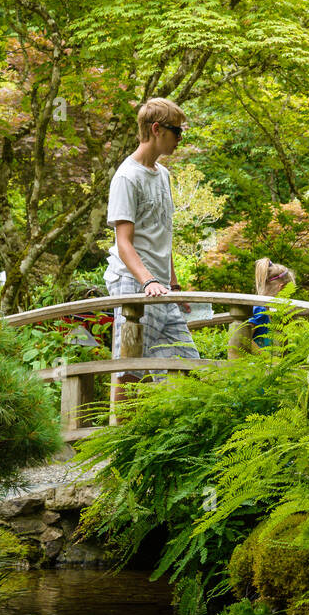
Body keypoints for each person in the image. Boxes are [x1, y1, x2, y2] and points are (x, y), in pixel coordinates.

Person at [105, 97, 198, 401]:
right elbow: (123, 243)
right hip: (133, 281)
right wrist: (148, 281)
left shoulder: (164, 175)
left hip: (159, 287)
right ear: (157, 129)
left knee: (187, 364)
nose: (180, 139)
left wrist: (171, 283)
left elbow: (163, 233)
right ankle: (116, 440)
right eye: (177, 131)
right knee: (129, 368)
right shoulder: (126, 178)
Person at [250, 257, 295, 349]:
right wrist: (264, 357)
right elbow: (244, 338)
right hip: (255, 362)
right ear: (281, 288)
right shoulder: (260, 310)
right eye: (288, 294)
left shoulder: (270, 310)